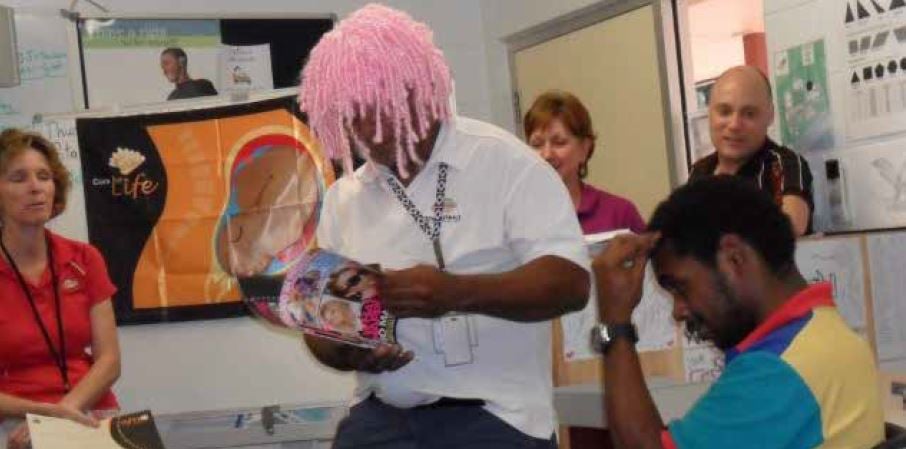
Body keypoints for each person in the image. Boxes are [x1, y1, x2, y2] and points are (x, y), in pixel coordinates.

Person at [298, 4, 590, 448]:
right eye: (352, 114)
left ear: (420, 89)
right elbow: (322, 325)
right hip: (383, 417)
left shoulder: (504, 162)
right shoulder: (345, 199)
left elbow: (571, 282)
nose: (367, 131)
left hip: (494, 418)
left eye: (378, 110)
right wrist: (348, 348)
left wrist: (454, 292)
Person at [592, 176, 883, 449]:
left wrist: (615, 322)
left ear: (734, 258)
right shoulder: (828, 334)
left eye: (681, 287)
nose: (678, 312)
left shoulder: (778, 370)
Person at [0, 129, 121, 449]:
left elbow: (109, 360)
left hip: (87, 409)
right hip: (16, 421)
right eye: (18, 178)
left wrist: (64, 413)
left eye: (44, 176)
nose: (36, 187)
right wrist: (41, 416)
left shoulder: (85, 258)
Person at [689, 65, 814, 236]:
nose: (734, 125)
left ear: (770, 115)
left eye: (749, 114)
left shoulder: (784, 164)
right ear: (710, 114)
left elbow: (790, 228)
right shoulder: (700, 171)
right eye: (724, 112)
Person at [524, 90, 645, 234]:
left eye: (559, 142)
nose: (547, 154)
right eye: (537, 144)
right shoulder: (515, 216)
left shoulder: (620, 213)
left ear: (584, 149)